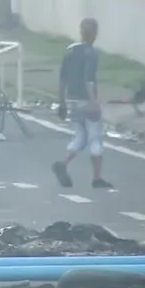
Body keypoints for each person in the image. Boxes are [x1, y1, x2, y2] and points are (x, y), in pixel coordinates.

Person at [52, 18, 112, 189]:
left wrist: (61, 102)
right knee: (95, 137)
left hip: (71, 99)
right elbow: (89, 80)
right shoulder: (90, 53)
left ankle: (63, 163)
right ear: (94, 33)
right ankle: (97, 178)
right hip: (86, 100)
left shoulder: (69, 50)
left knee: (81, 136)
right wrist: (94, 102)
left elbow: (62, 79)